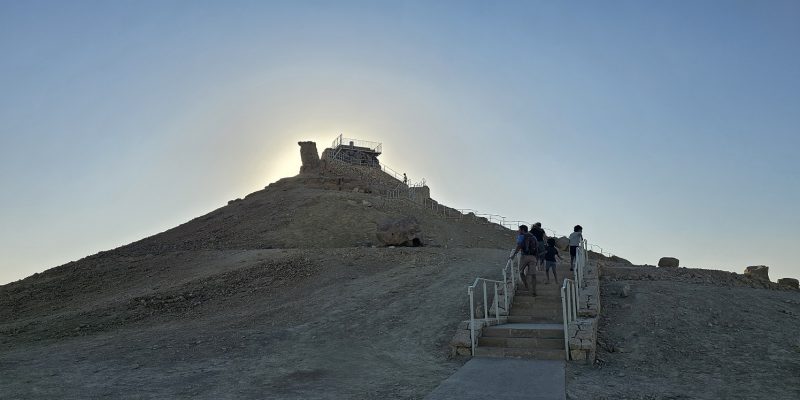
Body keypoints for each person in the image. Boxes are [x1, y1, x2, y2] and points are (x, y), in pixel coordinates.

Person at [510, 225, 538, 296]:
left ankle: (526, 286)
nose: (518, 231)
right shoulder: (533, 237)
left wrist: (513, 255)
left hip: (524, 256)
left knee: (521, 272)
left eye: (519, 230)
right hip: (533, 257)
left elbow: (519, 246)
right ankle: (534, 291)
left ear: (522, 230)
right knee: (533, 275)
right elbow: (537, 247)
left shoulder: (521, 236)